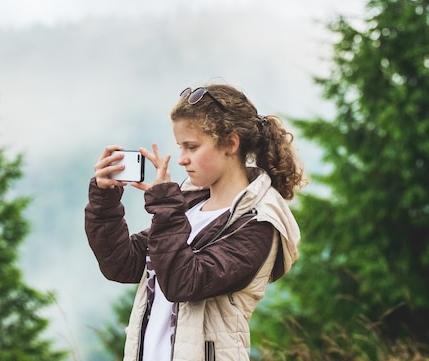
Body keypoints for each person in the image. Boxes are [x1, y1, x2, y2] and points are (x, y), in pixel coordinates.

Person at [84, 84, 305, 361]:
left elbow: (183, 282)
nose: (181, 159)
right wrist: (105, 200)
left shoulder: (258, 224)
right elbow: (121, 264)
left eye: (192, 146)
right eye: (180, 146)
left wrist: (165, 205)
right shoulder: (187, 207)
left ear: (230, 143)